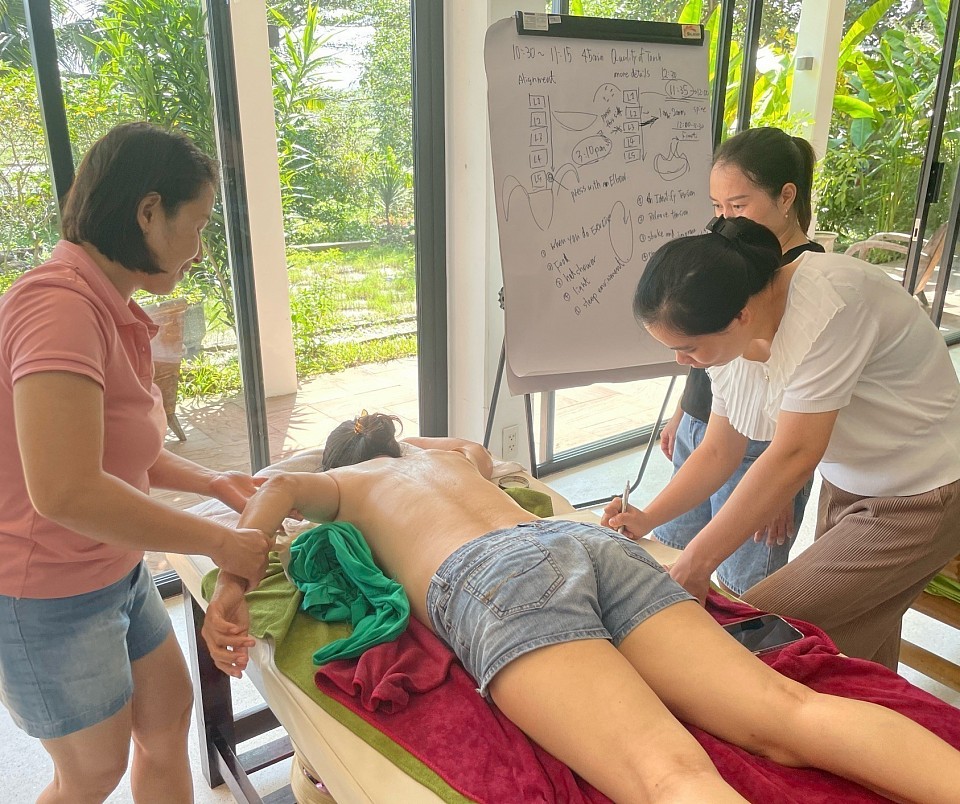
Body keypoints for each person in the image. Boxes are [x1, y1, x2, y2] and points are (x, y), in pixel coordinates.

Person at [203, 412, 960, 804]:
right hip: (582, 543)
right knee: (788, 713)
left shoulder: (341, 486)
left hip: (492, 579)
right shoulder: (444, 457)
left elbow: (276, 485)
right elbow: (476, 451)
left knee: (665, 776)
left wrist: (232, 585)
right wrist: (398, 436)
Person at [0, 122, 273, 803]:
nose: (199, 248)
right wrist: (219, 542)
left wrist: (211, 480)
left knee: (166, 719)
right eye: (197, 224)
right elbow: (66, 490)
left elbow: (120, 452)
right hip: (47, 590)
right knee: (92, 772)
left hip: (115, 568)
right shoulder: (58, 307)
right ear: (149, 211)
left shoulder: (110, 305)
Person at [604, 215, 960, 671]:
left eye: (688, 348)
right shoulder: (732, 325)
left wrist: (696, 563)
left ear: (740, 316)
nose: (680, 360)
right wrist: (648, 516)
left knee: (763, 628)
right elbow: (718, 450)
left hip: (925, 491)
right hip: (849, 482)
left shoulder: (830, 305)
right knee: (859, 644)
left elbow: (794, 454)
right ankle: (874, 712)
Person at [656, 127, 824, 597]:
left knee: (742, 590)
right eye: (717, 207)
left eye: (738, 205)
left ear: (786, 196)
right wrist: (683, 411)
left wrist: (779, 486)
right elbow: (703, 344)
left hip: (759, 449)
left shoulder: (808, 282)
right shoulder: (729, 258)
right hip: (707, 422)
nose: (725, 220)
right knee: (673, 552)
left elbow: (803, 405)